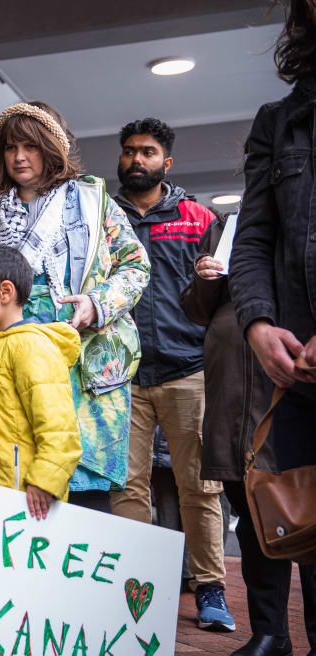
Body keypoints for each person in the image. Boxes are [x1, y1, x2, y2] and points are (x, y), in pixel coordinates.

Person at [0, 102, 150, 515]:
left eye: (30, 146)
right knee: (3, 478)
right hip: (0, 360)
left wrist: (97, 303)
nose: (19, 157)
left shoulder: (93, 199)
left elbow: (136, 266)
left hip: (78, 356)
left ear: (52, 148)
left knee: (79, 484)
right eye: (11, 147)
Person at [108, 117, 233, 631]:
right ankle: (137, 588)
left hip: (188, 369)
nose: (138, 160)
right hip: (122, 373)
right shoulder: (102, 216)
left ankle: (210, 590)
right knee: (127, 488)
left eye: (149, 152)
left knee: (200, 487)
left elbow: (222, 294)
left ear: (167, 162)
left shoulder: (197, 217)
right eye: (130, 152)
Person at [183, 211, 316, 654]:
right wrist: (204, 278)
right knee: (254, 520)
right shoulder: (229, 224)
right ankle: (271, 635)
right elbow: (197, 309)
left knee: (309, 514)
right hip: (233, 397)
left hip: (290, 388)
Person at [230, 1, 316, 651]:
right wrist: (258, 322)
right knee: (310, 538)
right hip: (300, 374)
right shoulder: (278, 122)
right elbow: (254, 240)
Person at [0, 244, 82, 517]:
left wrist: (44, 482)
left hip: (28, 504)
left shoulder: (31, 348)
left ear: (5, 292)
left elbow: (60, 431)